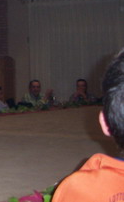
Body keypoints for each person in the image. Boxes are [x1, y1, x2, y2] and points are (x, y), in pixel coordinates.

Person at [51, 49, 124, 201]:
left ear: (105, 123)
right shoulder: (73, 96)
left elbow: (90, 102)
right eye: (78, 85)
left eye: (82, 86)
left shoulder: (79, 188)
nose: (80, 88)